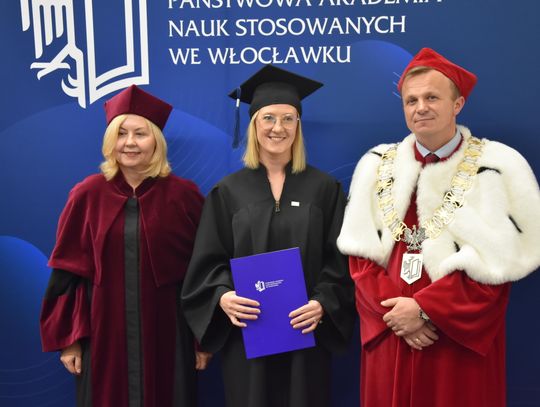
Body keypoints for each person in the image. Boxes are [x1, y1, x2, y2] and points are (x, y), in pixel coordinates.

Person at [337, 47, 540, 406]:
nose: (421, 108)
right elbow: (360, 258)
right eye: (411, 100)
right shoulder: (376, 166)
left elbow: (501, 264)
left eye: (432, 97)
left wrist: (426, 310)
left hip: (456, 340)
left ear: (457, 104)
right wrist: (396, 315)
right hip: (391, 333)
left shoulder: (496, 166)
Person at [181, 65, 356, 407]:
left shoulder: (324, 189)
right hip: (248, 335)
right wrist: (222, 297)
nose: (279, 128)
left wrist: (323, 303)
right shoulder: (227, 192)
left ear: (298, 126)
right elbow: (207, 263)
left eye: (288, 119)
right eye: (269, 118)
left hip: (306, 333)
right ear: (254, 125)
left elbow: (340, 262)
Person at [39, 85, 210, 407]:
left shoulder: (183, 196)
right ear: (110, 142)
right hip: (102, 331)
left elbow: (202, 271)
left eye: (140, 134)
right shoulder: (87, 195)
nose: (129, 142)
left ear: (156, 141)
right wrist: (70, 340)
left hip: (169, 331)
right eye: (121, 133)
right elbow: (66, 273)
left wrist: (202, 338)